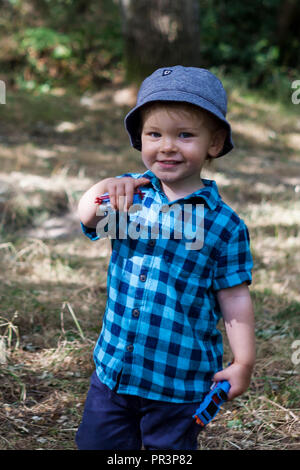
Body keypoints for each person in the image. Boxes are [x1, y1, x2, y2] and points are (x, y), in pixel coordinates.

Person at [75, 66, 255, 450]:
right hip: (114, 372)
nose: (168, 146)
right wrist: (104, 186)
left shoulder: (224, 225)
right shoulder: (129, 197)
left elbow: (235, 297)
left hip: (178, 380)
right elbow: (86, 216)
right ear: (139, 140)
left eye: (184, 135)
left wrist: (243, 361)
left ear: (215, 142)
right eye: (154, 134)